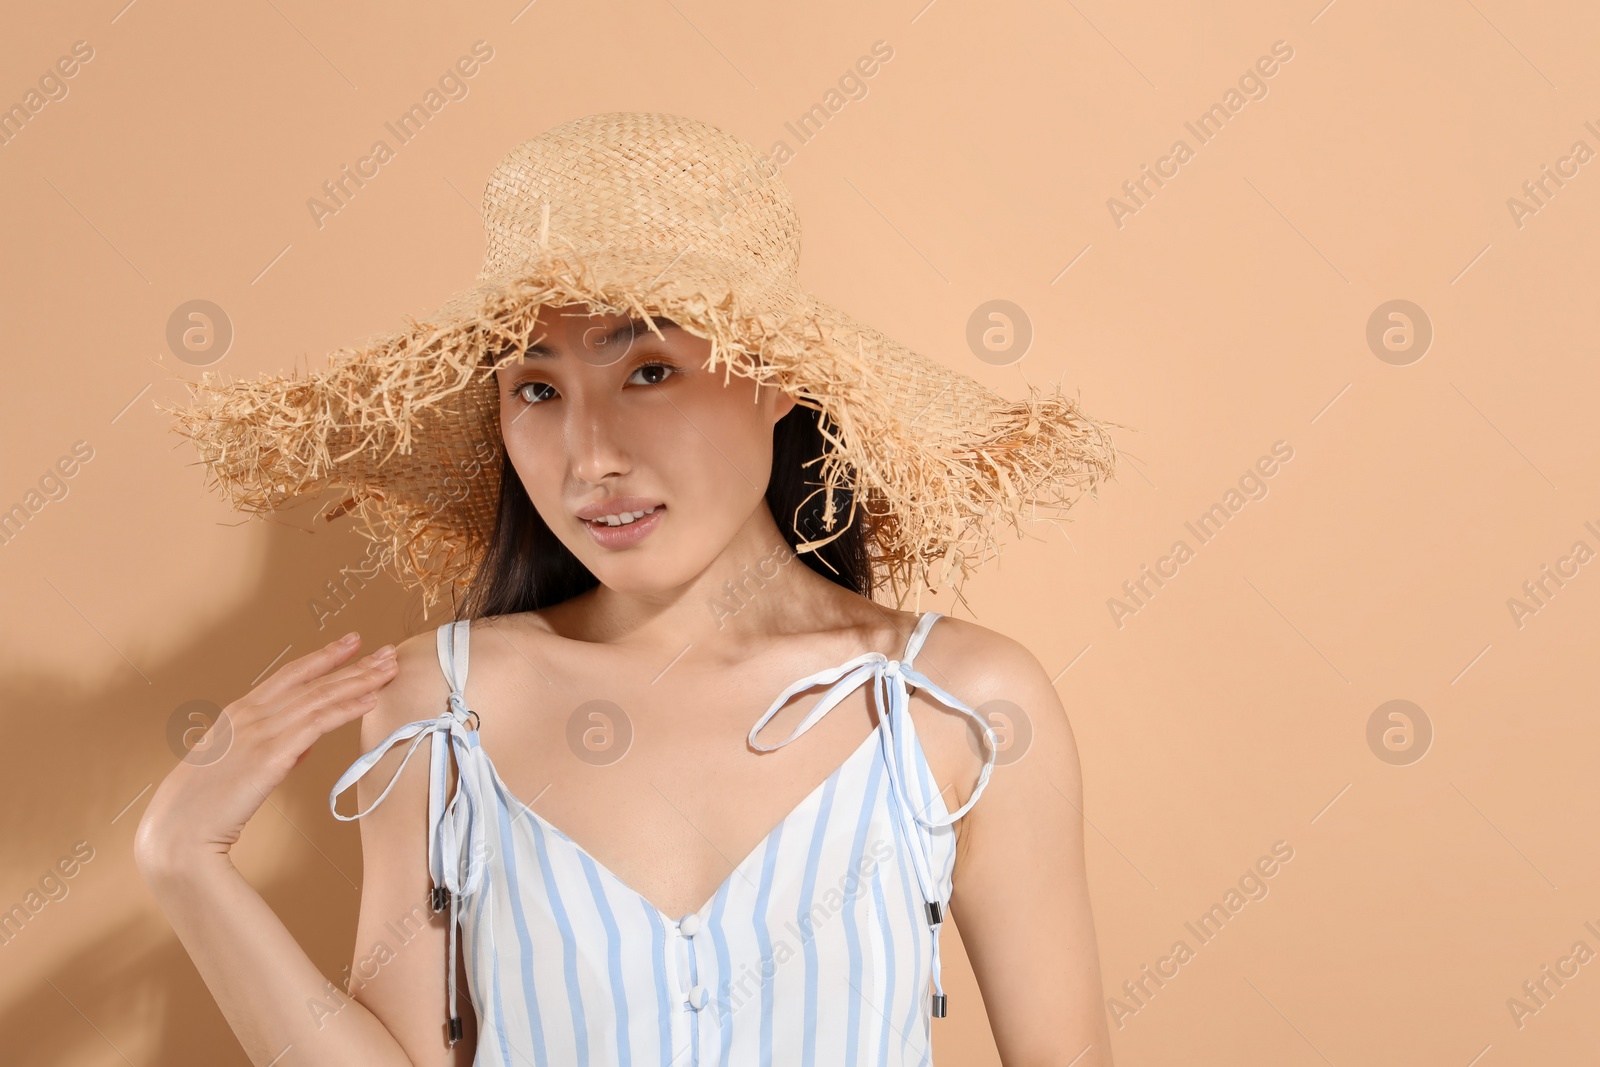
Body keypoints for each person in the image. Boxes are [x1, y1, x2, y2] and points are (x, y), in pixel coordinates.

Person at [136, 112, 1121, 1066]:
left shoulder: (952, 702)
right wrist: (185, 863)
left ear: (778, 377)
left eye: (649, 370)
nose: (589, 457)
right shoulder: (439, 707)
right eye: (537, 389)